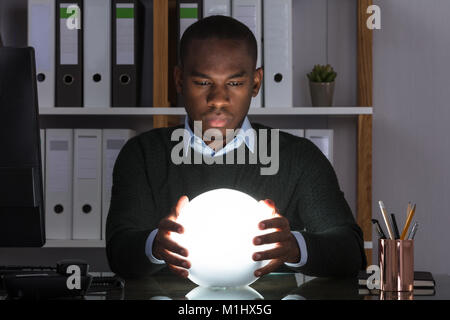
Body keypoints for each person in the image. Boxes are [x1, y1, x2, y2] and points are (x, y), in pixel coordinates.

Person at [106, 15, 367, 279]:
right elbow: (119, 254)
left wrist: (295, 248)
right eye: (203, 83)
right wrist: (155, 245)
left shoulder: (299, 157)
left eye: (234, 83)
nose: (218, 100)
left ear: (255, 83)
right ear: (179, 80)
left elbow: (351, 252)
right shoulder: (141, 155)